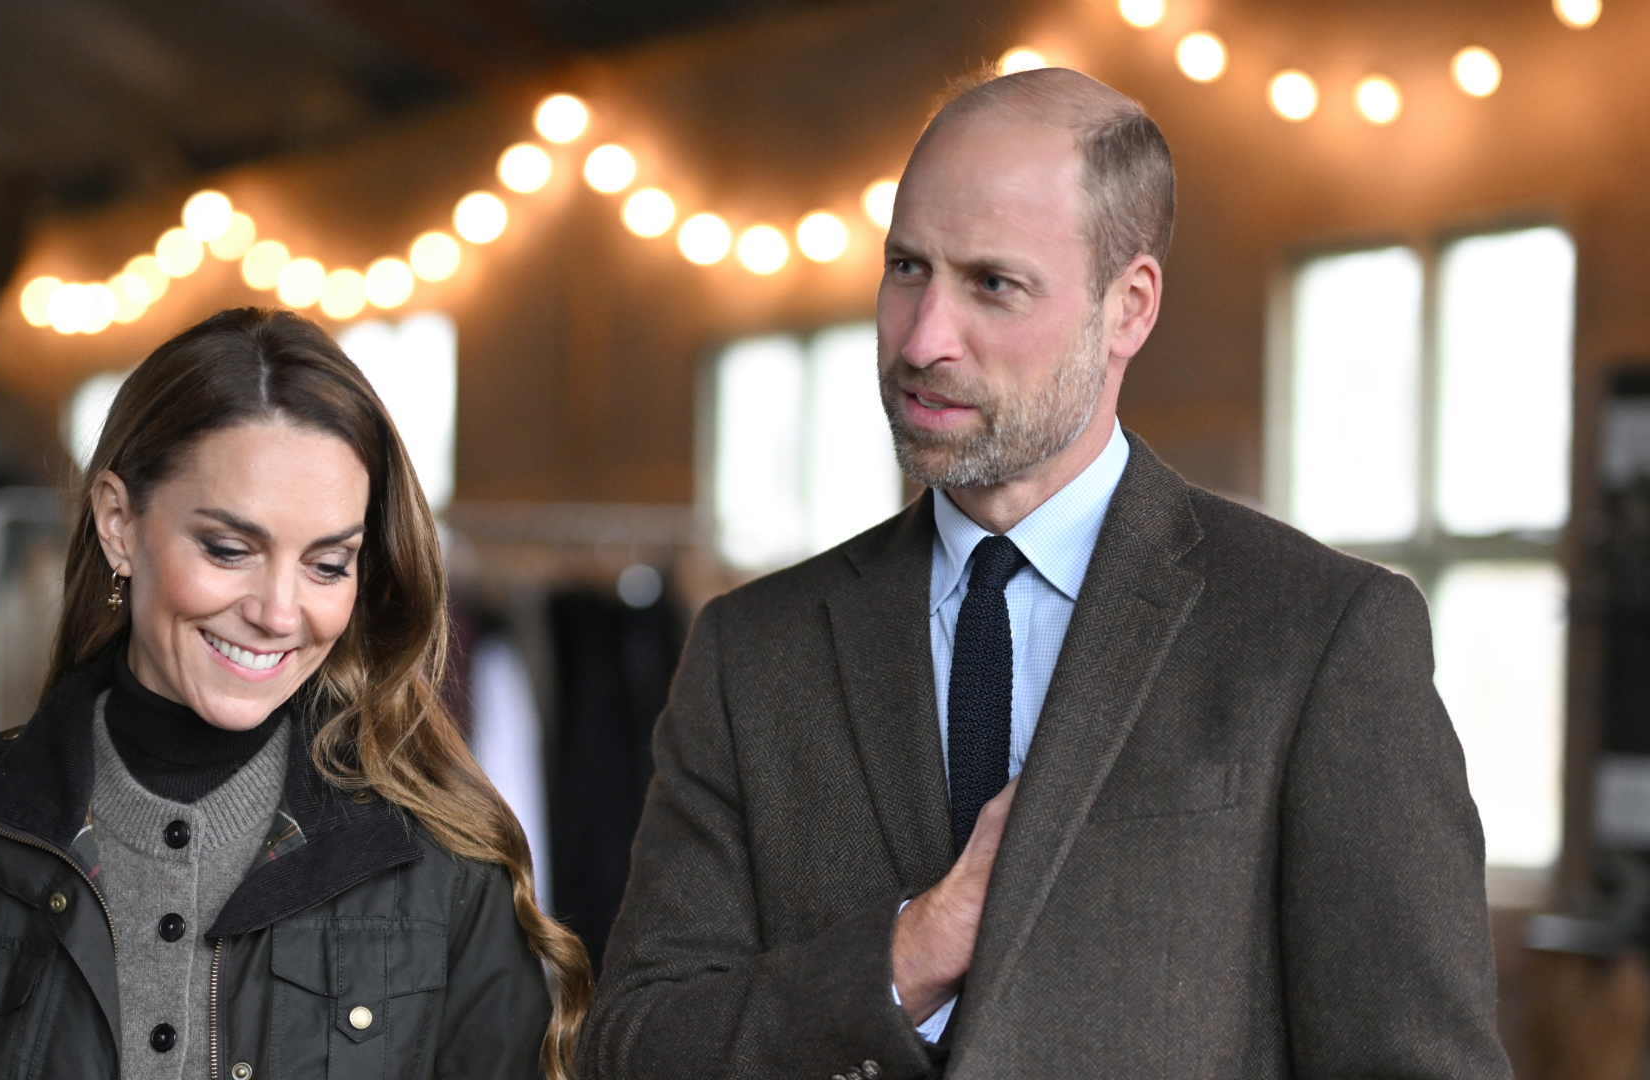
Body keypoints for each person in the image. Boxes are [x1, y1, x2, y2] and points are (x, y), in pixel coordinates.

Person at [579, 68, 1511, 1079]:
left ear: (1129, 309)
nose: (924, 338)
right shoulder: (752, 650)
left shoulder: (1321, 637)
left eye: (993, 284)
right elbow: (633, 1050)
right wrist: (907, 954)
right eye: (906, 269)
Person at [0, 308, 592, 1080]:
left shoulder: (443, 869)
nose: (280, 612)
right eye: (228, 547)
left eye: (327, 564)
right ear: (118, 522)